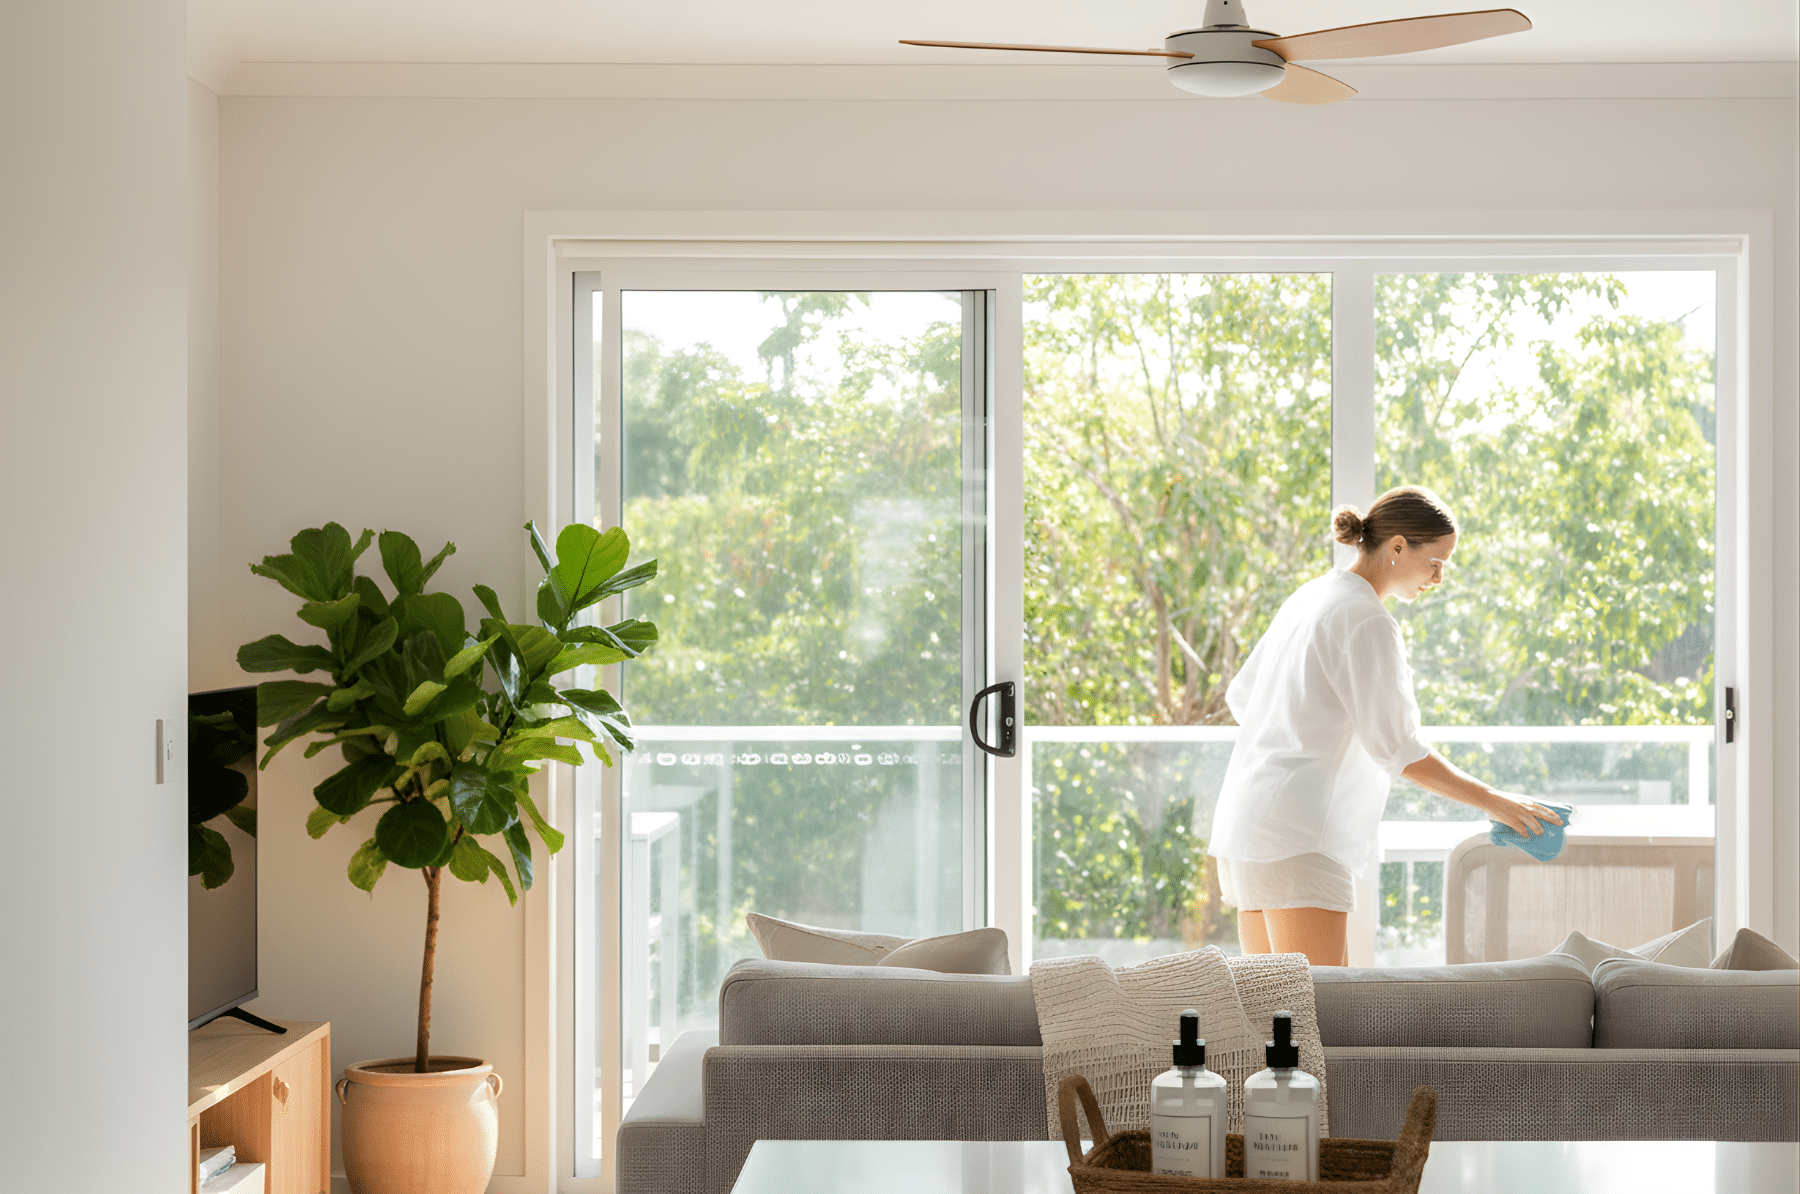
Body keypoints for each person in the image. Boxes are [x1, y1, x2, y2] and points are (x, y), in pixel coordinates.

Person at [1206, 485, 1562, 967]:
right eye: (1435, 563)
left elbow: (1242, 697)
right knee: (1319, 1006)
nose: (1438, 578)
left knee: (1274, 1007)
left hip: (1247, 824)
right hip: (1299, 838)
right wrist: (1497, 803)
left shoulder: (1312, 595)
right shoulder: (1367, 619)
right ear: (1397, 546)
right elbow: (1402, 752)